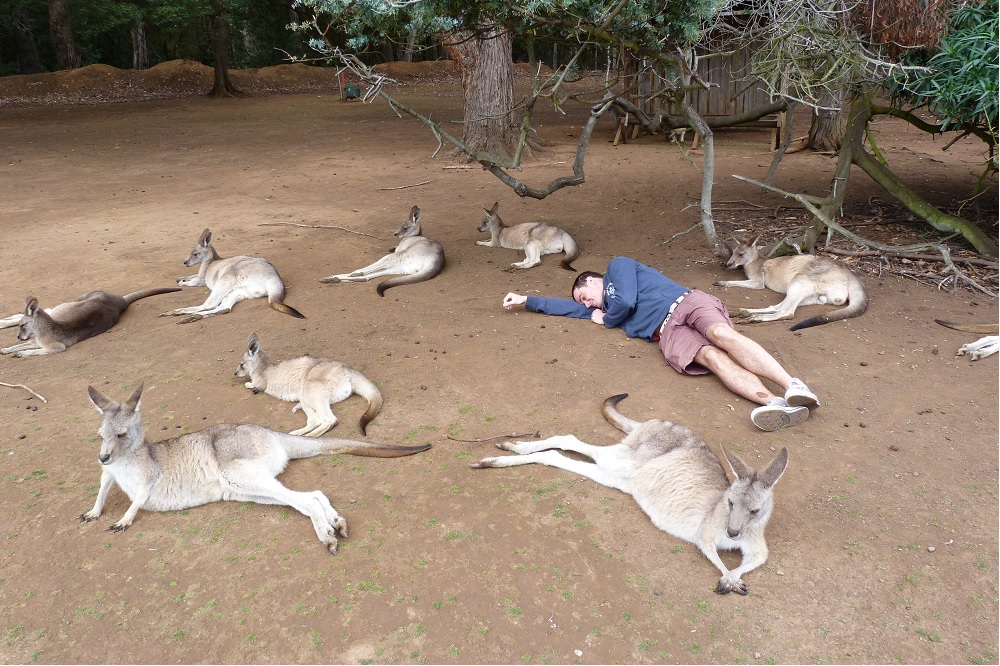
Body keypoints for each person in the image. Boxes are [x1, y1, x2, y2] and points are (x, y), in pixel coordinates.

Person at [502, 256, 819, 431]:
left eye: (585, 297)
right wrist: (527, 299)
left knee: (721, 335)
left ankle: (793, 386)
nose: (586, 306)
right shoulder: (602, 309)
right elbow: (570, 309)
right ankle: (775, 406)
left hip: (685, 303)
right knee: (712, 357)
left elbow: (624, 301)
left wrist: (609, 318)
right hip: (668, 334)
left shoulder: (618, 268)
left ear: (595, 280)